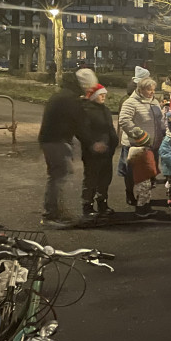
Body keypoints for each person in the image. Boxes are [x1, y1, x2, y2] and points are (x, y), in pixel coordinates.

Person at [38, 69, 96, 228]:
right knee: (58, 177)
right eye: (89, 87)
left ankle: (57, 211)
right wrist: (93, 143)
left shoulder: (64, 95)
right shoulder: (70, 99)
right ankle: (51, 215)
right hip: (56, 141)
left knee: (59, 175)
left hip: (53, 140)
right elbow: (80, 125)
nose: (90, 90)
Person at [118, 77, 166, 207]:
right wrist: (138, 134)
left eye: (153, 89)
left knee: (148, 173)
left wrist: (164, 130)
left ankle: (144, 199)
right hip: (136, 145)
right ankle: (130, 193)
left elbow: (159, 121)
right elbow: (124, 120)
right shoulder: (131, 102)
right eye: (149, 89)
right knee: (132, 173)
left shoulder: (154, 102)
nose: (152, 92)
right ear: (140, 89)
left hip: (153, 144)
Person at [80, 84, 117, 218]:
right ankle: (87, 205)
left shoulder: (105, 110)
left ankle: (102, 203)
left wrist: (113, 142)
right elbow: (83, 131)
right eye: (101, 95)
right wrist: (93, 144)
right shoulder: (86, 111)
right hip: (92, 152)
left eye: (104, 95)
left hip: (107, 151)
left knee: (105, 179)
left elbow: (110, 128)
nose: (103, 97)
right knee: (91, 179)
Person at [126, 127, 158, 218]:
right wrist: (154, 174)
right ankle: (141, 210)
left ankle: (146, 208)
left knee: (143, 193)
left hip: (138, 177)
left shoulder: (134, 152)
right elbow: (150, 166)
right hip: (146, 177)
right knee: (145, 194)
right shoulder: (146, 153)